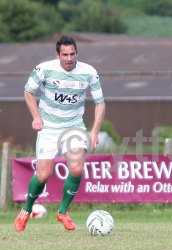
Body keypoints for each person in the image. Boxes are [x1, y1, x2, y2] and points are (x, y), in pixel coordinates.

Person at [14, 36, 106, 232]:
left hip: (73, 126)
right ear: (58, 55)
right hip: (48, 127)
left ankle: (62, 212)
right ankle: (26, 209)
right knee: (43, 174)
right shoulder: (44, 69)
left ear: (76, 53)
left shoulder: (89, 72)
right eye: (65, 54)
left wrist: (95, 131)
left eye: (72, 54)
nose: (69, 58)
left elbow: (100, 103)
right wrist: (36, 117)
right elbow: (28, 91)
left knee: (76, 168)